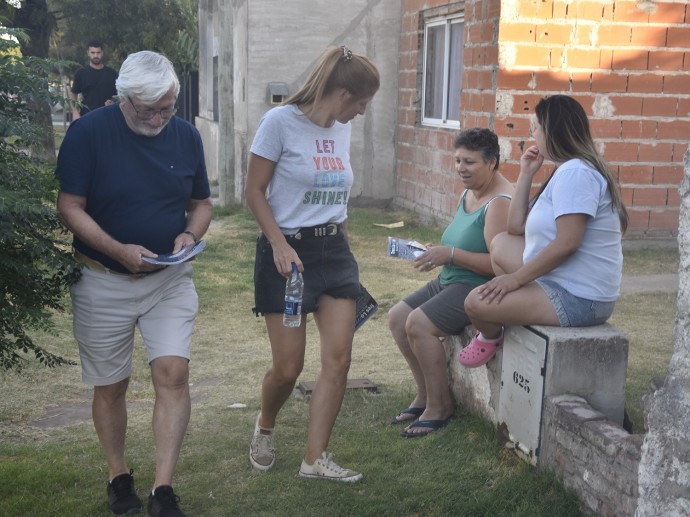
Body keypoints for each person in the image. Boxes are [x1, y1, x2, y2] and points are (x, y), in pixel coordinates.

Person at [56, 51, 212, 517]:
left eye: (168, 108)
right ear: (122, 99)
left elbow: (201, 203)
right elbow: (70, 206)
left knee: (173, 373)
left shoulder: (185, 135)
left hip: (168, 278)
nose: (159, 119)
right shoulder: (88, 133)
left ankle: (163, 491)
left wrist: (190, 233)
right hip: (102, 278)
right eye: (148, 111)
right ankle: (118, 476)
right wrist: (118, 249)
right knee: (111, 386)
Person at [245, 45, 379, 482]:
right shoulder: (279, 122)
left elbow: (335, 192)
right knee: (288, 367)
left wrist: (343, 238)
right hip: (288, 255)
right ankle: (266, 424)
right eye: (361, 103)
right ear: (342, 94)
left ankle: (314, 458)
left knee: (338, 361)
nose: (361, 112)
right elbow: (254, 191)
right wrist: (279, 244)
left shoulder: (340, 129)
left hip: (333, 252)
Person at [459, 95, 628, 368]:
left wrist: (514, 281)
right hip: (562, 280)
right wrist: (526, 172)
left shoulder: (576, 173)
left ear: (552, 131)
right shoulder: (566, 170)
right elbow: (514, 228)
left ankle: (491, 337)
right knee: (501, 243)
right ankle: (514, 307)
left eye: (536, 127)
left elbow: (567, 242)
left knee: (475, 304)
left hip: (580, 298)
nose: (533, 134)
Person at [387, 128, 513, 438]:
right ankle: (425, 395)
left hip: (476, 287)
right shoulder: (468, 191)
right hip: (450, 278)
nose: (460, 168)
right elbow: (461, 241)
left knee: (417, 324)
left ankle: (441, 406)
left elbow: (499, 266)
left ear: (492, 162)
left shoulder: (500, 202)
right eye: (457, 160)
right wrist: (438, 252)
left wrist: (451, 254)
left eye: (469, 162)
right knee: (397, 317)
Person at [70, 39, 118, 121]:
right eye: (93, 53)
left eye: (98, 52)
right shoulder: (81, 73)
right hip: (87, 118)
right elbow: (73, 93)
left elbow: (120, 95)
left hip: (108, 118)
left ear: (102, 53)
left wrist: (114, 103)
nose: (96, 55)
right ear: (88, 53)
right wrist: (75, 112)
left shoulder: (112, 74)